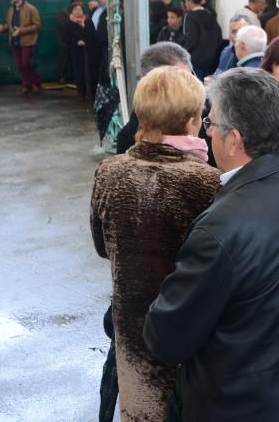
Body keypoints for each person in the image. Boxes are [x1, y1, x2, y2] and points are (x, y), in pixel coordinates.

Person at [143, 69, 279, 420]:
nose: (207, 130)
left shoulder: (222, 228)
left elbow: (166, 338)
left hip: (241, 405)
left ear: (234, 140)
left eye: (211, 123)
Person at [91, 66, 220, 422]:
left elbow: (103, 247)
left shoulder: (109, 172)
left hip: (132, 332)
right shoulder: (208, 182)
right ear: (192, 120)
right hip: (190, 335)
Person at [0, 0, 43, 94]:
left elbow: (37, 25)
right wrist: (2, 28)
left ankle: (36, 82)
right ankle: (27, 85)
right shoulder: (11, 10)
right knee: (20, 65)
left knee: (27, 63)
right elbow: (9, 25)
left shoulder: (31, 9)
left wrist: (21, 31)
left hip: (28, 41)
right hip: (14, 41)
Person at [181, 0, 222, 79]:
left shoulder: (190, 16)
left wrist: (183, 54)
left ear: (190, 1)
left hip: (194, 60)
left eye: (186, 1)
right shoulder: (210, 14)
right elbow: (219, 37)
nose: (185, 4)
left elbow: (191, 40)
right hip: (211, 60)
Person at [62, 1, 93, 102]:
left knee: (89, 71)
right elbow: (66, 38)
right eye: (76, 9)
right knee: (79, 72)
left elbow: (92, 33)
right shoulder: (68, 24)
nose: (78, 11)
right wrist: (76, 42)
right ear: (71, 11)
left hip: (88, 50)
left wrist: (88, 40)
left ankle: (90, 92)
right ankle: (81, 92)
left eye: (80, 9)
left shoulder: (88, 21)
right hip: (76, 52)